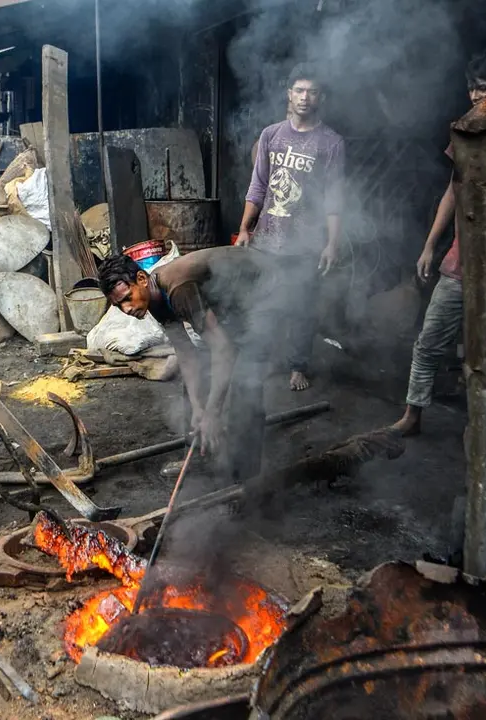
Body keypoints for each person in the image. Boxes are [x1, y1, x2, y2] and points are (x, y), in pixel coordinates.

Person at [390, 47, 486, 436]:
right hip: (460, 262)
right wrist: (430, 245)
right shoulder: (464, 130)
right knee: (429, 342)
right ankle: (413, 415)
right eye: (474, 89)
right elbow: (453, 190)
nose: (479, 96)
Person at [99, 247, 282, 482]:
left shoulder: (178, 288)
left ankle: (245, 479)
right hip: (233, 304)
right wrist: (198, 407)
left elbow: (224, 350)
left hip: (268, 289)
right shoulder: (154, 299)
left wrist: (213, 413)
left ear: (141, 279)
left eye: (126, 298)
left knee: (246, 379)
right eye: (119, 306)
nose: (127, 309)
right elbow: (185, 352)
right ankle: (200, 455)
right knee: (197, 387)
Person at [236, 62, 345, 393]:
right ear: (289, 94)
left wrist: (332, 244)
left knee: (301, 307)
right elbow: (258, 187)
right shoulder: (271, 135)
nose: (305, 97)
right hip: (267, 238)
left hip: (306, 243)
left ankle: (297, 366)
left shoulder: (331, 142)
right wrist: (244, 229)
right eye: (299, 90)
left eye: (312, 91)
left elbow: (333, 198)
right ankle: (258, 362)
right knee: (262, 303)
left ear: (320, 97)